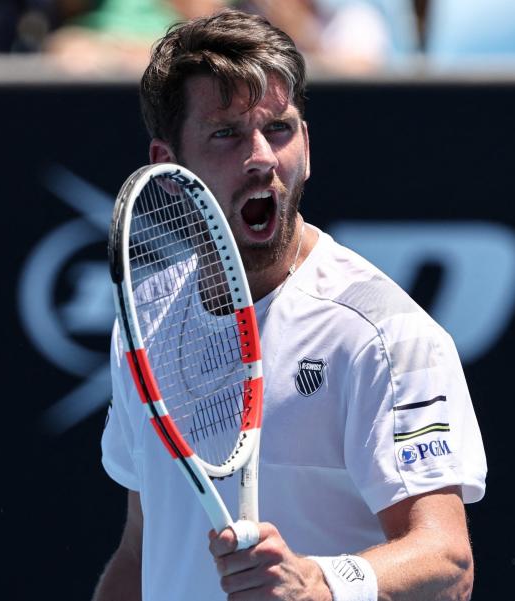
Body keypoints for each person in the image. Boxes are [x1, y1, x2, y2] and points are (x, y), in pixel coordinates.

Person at [95, 9, 487, 601]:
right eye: (225, 133)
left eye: (278, 129)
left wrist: (323, 583)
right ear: (167, 164)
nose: (261, 157)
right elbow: (142, 544)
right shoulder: (144, 317)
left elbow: (447, 562)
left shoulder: (384, 331)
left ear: (306, 144)